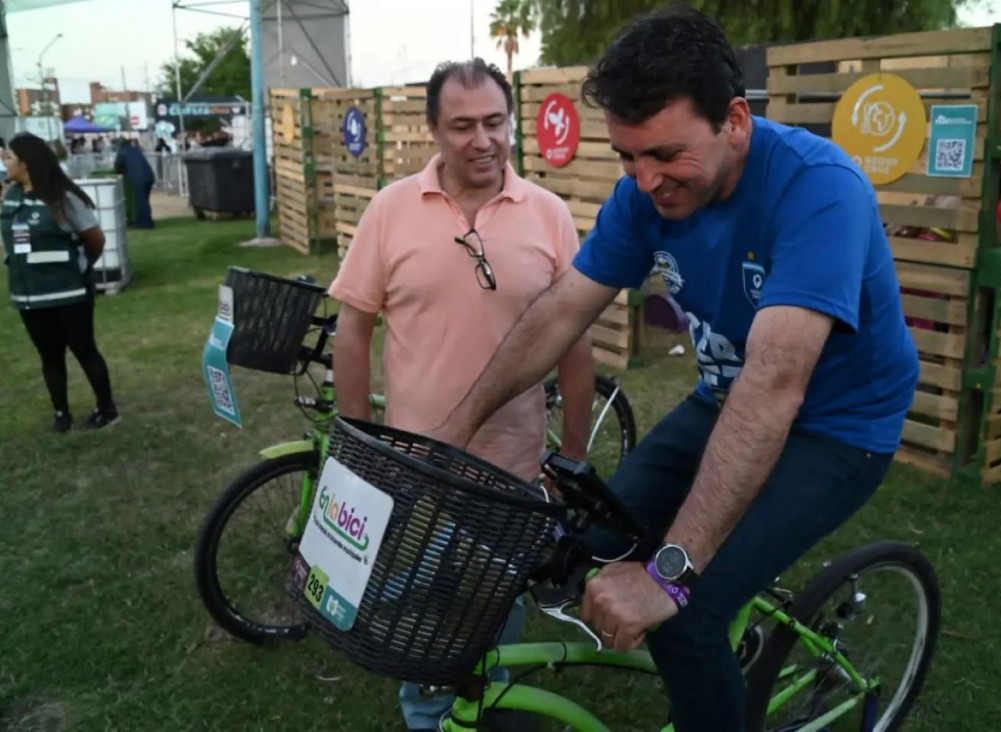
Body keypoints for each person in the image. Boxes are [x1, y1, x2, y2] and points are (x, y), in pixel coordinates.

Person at [428, 8, 920, 731]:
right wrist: (453, 428)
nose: (646, 179)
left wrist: (673, 573)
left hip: (839, 427)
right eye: (628, 157)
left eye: (664, 154)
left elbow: (776, 387)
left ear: (736, 122)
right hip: (728, 396)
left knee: (685, 616)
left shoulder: (821, 189)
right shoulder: (645, 194)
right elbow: (562, 311)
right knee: (594, 547)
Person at [326, 58, 595, 732]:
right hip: (413, 471)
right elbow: (353, 329)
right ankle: (427, 719)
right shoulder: (390, 210)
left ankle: (487, 712)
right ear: (433, 132)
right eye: (464, 126)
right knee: (418, 625)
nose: (483, 140)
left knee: (489, 624)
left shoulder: (549, 216)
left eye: (495, 123)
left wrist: (570, 458)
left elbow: (575, 344)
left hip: (509, 478)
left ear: (512, 124)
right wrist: (359, 446)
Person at [1, 132, 120, 432]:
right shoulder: (10, 195)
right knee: (49, 356)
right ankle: (61, 414)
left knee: (84, 349)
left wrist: (78, 268)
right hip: (29, 296)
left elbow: (95, 239)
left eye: (9, 156)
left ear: (26, 162)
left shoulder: (62, 198)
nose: (4, 160)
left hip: (69, 294)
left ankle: (106, 408)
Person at [113, 138, 156, 229]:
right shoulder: (135, 149)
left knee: (140, 201)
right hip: (149, 176)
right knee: (144, 200)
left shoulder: (122, 152)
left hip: (138, 178)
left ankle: (144, 224)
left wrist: (119, 174)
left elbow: (118, 166)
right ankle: (146, 221)